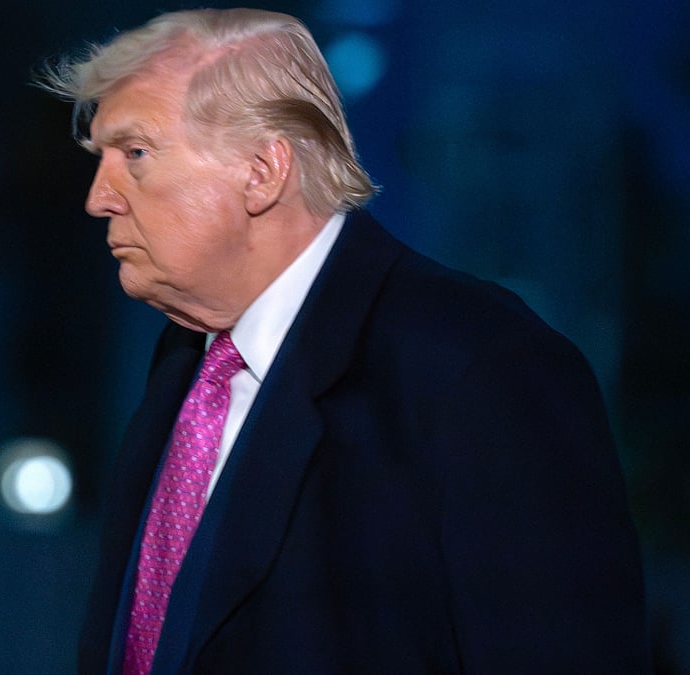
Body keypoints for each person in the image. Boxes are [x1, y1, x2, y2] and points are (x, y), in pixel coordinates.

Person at [37, 8, 649, 674]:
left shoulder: (483, 369)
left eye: (135, 154)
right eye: (102, 157)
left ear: (262, 171)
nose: (100, 196)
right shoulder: (182, 363)